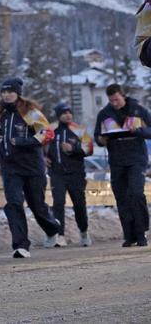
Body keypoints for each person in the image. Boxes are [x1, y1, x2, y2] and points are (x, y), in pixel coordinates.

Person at [0, 77, 61, 258]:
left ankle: (53, 228)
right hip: (10, 167)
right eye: (4, 92)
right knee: (13, 203)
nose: (7, 95)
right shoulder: (1, 115)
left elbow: (47, 133)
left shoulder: (29, 112)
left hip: (32, 166)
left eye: (10, 91)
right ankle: (21, 245)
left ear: (18, 93)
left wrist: (24, 141)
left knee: (37, 205)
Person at [94, 83, 151, 247]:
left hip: (136, 159)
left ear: (122, 95)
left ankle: (141, 233)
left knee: (136, 193)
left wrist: (139, 131)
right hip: (117, 160)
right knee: (121, 197)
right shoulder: (104, 114)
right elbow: (97, 136)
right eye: (111, 101)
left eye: (117, 100)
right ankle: (129, 235)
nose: (114, 103)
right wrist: (101, 139)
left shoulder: (138, 110)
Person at [46, 102, 93, 247]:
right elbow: (39, 142)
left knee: (79, 204)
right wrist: (43, 156)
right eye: (64, 113)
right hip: (57, 173)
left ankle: (84, 232)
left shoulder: (79, 130)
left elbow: (89, 148)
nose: (68, 115)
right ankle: (59, 235)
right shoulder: (50, 129)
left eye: (69, 112)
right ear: (58, 115)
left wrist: (73, 148)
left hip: (76, 174)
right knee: (58, 204)